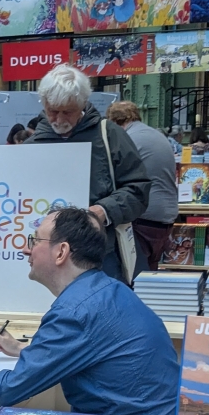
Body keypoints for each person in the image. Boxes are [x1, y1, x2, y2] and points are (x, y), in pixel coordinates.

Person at [0, 207, 179, 415]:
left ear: (61, 252)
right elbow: (92, 351)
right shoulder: (110, 290)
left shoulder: (74, 311)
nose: (26, 249)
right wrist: (23, 349)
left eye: (34, 240)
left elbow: (8, 390)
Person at [25, 65, 150, 281]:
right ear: (43, 104)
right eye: (53, 110)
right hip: (47, 254)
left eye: (68, 111)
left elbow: (138, 189)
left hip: (100, 254)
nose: (59, 119)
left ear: (83, 104)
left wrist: (103, 211)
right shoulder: (31, 145)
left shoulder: (109, 136)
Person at [106, 101, 178, 273]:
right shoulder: (157, 135)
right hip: (166, 216)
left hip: (143, 216)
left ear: (115, 122)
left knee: (132, 274)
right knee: (148, 277)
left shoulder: (128, 139)